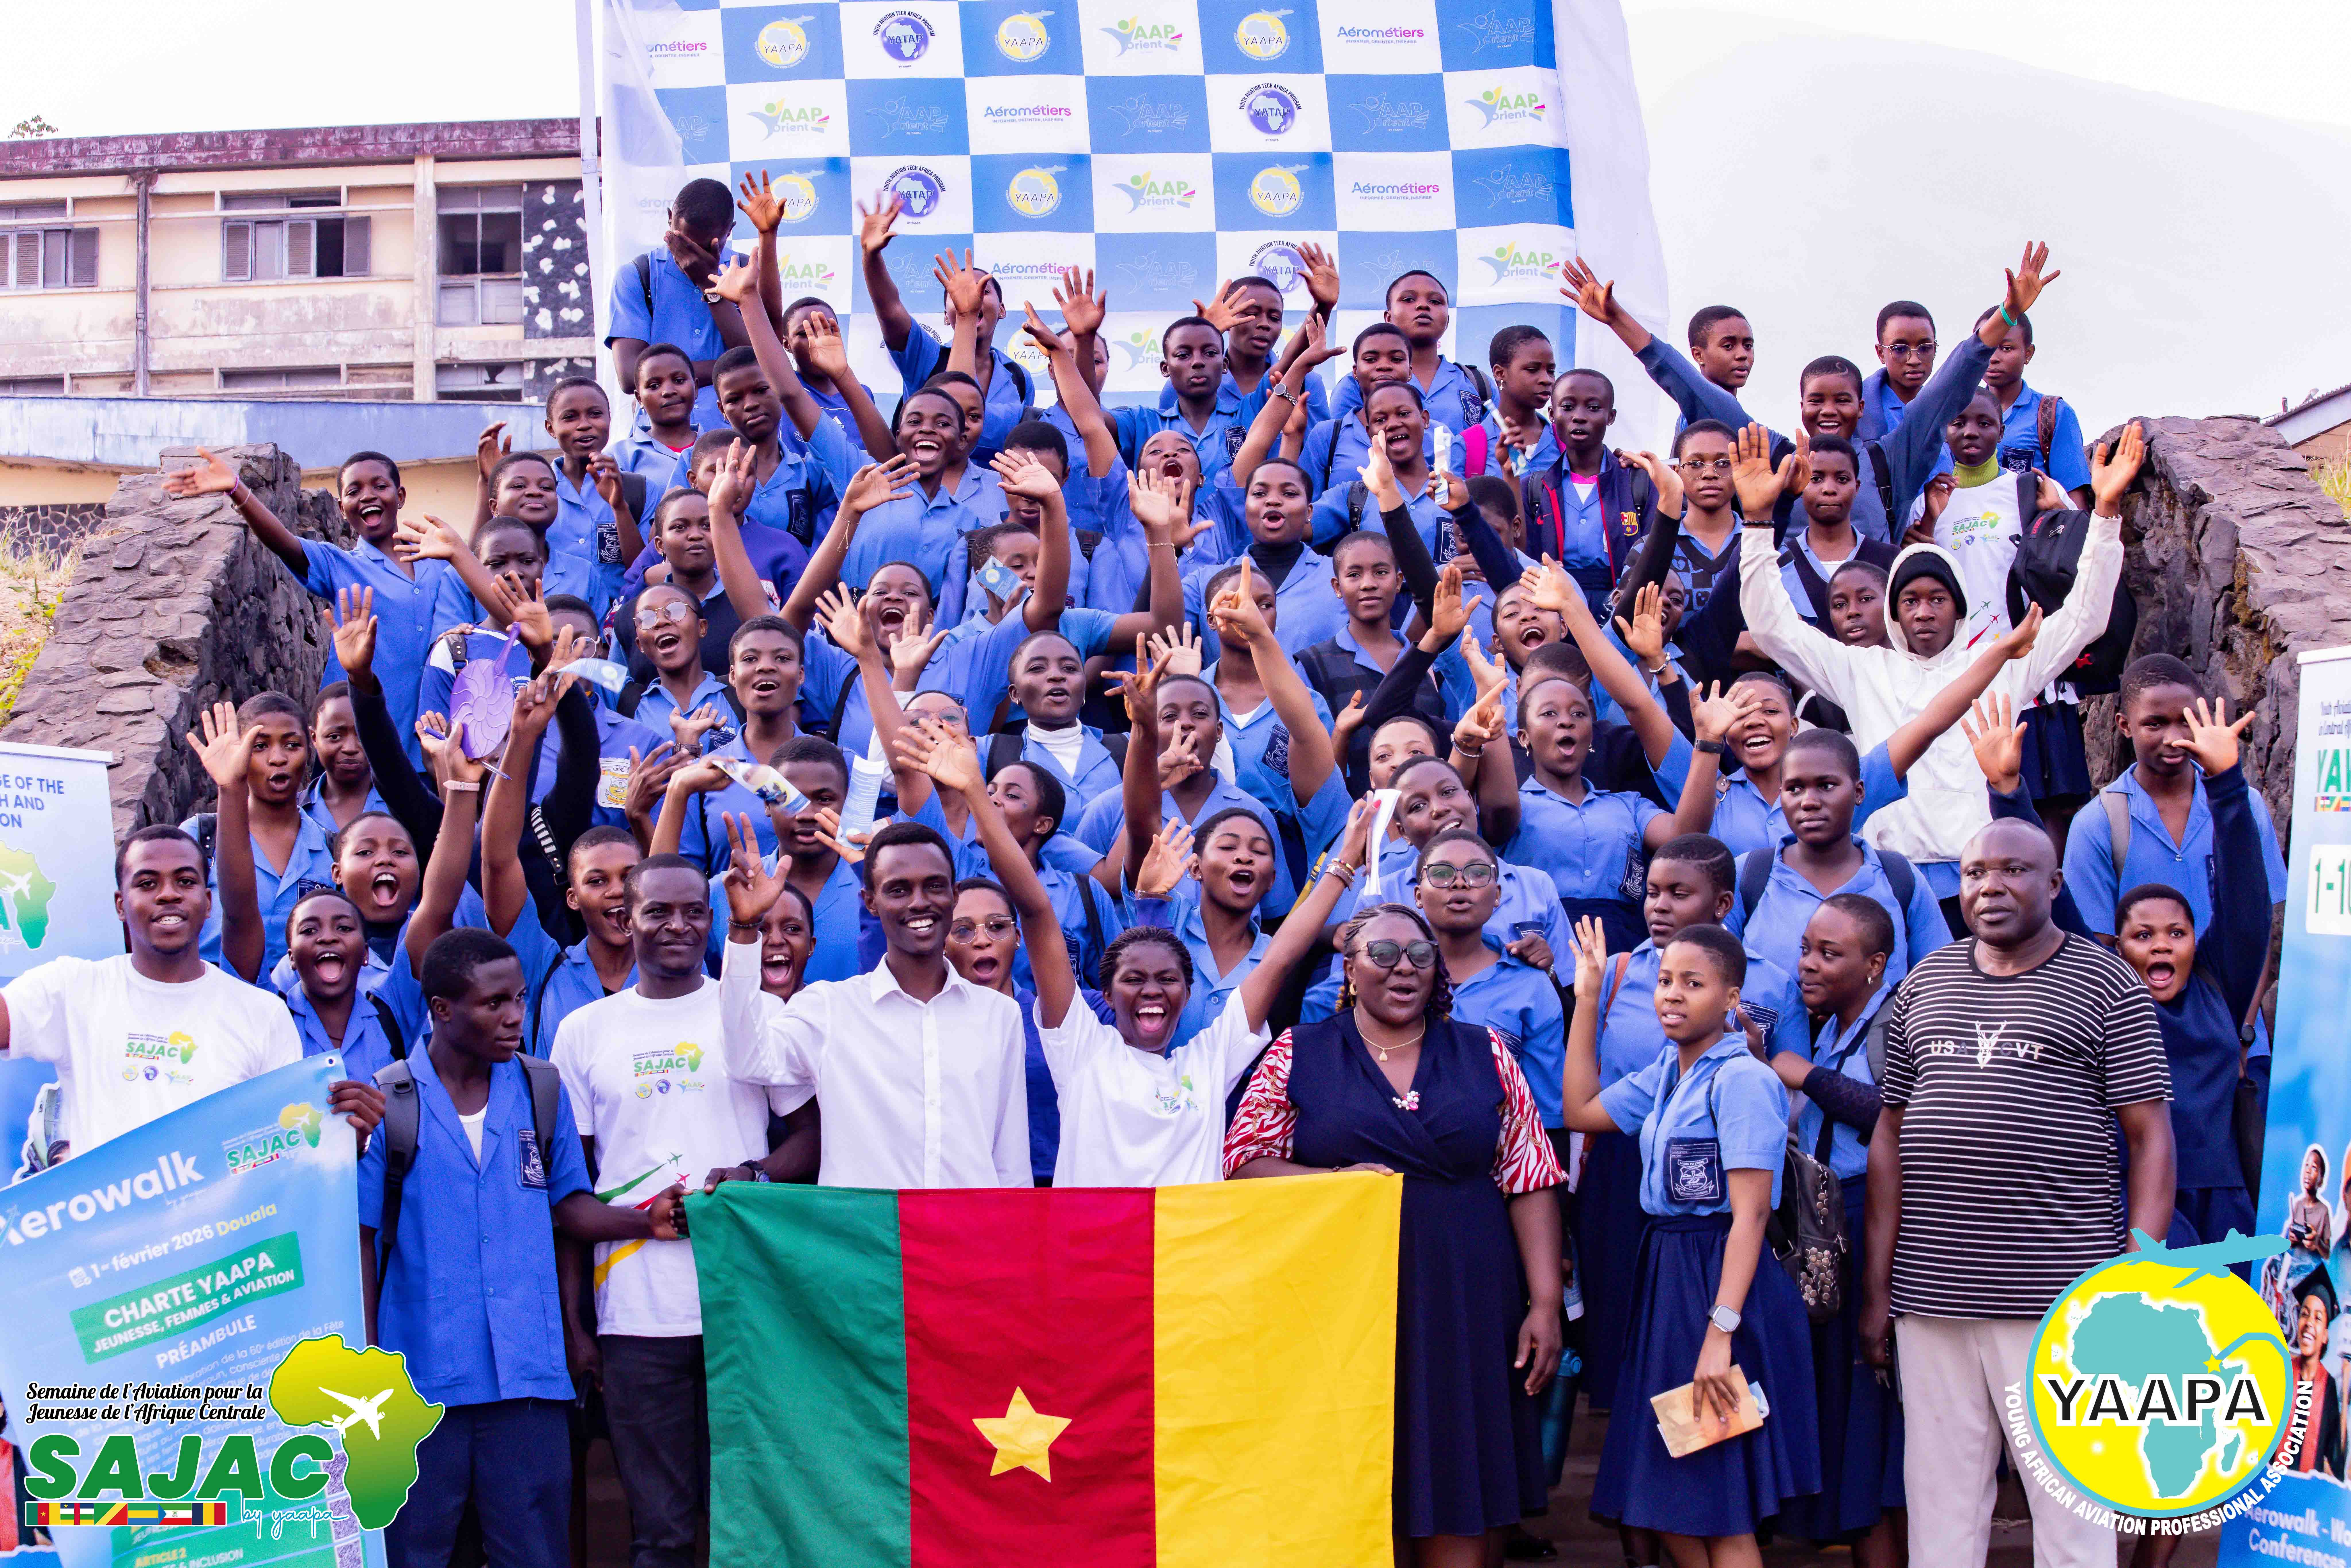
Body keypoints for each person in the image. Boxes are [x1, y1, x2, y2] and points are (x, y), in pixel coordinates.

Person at [1860, 816, 2174, 1568]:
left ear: (2053, 884)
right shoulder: (1925, 980)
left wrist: (2135, 1278)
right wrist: (1879, 1287)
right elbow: (1887, 1136)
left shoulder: (2105, 983)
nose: (1989, 886)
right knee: (1939, 1501)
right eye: (1973, 873)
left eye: (2012, 870)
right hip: (1932, 1292)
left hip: (2060, 1297)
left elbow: (2151, 1138)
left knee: (2069, 1508)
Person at [1227, 901, 1564, 1565]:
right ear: (1350, 969)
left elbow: (1528, 1174)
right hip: (1343, 1302)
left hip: (1467, 1293)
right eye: (1381, 954)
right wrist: (1334, 1183)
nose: (1401, 968)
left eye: (1418, 954)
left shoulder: (1485, 1050)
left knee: (1461, 1471)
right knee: (1359, 1473)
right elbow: (1242, 1161)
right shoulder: (1299, 1049)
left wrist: (1546, 1302)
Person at [922, 715, 1370, 1186]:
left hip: (1184, 1259)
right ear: (1105, 997)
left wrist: (1344, 861)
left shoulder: (1208, 1060)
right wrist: (975, 789)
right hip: (1091, 1257)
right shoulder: (1081, 1049)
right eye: (1133, 980)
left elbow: (1280, 957)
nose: (1151, 991)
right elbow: (1034, 911)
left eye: (1167, 980)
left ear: (1186, 990)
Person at [361, 928, 683, 1568]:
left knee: (536, 1553)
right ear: (442, 1009)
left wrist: (643, 1220)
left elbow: (568, 1206)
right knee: (412, 1554)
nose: (514, 1016)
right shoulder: (389, 1101)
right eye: (494, 1003)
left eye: (520, 997)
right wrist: (367, 1365)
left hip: (527, 1383)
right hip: (418, 1384)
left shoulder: (541, 1090)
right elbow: (362, 1242)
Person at [1739, 421, 2144, 922]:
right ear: (1893, 610)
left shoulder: (2002, 660)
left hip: (1984, 881)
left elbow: (2084, 617)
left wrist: (2102, 516)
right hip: (1889, 881)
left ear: (1959, 608)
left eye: (1937, 599)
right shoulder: (1860, 668)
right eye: (1910, 600)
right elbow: (1771, 627)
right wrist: (1756, 523)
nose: (1924, 612)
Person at [549, 853, 805, 1568]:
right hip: (636, 1316)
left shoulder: (749, 1011)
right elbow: (569, 1196)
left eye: (695, 910)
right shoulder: (583, 1031)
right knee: (658, 1532)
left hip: (745, 1310)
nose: (679, 925)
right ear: (625, 919)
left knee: (745, 1523)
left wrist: (754, 1175)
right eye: (658, 910)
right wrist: (578, 1324)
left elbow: (811, 1136)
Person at [1560, 917, 1821, 1552]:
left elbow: (1750, 1216)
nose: (1671, 994)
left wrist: (1719, 1332)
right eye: (1665, 981)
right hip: (1667, 1283)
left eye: (1693, 983)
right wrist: (1588, 996)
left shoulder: (1743, 1080)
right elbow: (1578, 1111)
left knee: (1718, 1502)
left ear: (1731, 997)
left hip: (1719, 1287)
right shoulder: (1665, 1071)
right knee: (1670, 1495)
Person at [0, 822, 379, 1159]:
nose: (168, 895)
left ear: (208, 901)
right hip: (99, 1236)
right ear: (120, 905)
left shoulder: (262, 1013)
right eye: (147, 883)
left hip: (219, 1237)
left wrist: (351, 1137)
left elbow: (287, 1152)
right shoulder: (74, 987)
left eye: (185, 881)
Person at [719, 820, 1030, 1187]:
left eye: (933, 886)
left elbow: (1010, 1159)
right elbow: (746, 1061)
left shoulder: (999, 1014)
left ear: (954, 894)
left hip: (965, 1236)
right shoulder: (828, 1008)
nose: (919, 902)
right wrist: (744, 928)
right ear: (870, 900)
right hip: (864, 1238)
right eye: (898, 889)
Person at [2064, 653, 2288, 1104]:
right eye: (2154, 724)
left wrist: (2242, 1033)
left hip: (2238, 1040)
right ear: (2125, 726)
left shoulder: (2244, 809)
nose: (2173, 738)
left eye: (2185, 721)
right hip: (2145, 1050)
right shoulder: (2100, 823)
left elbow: (2259, 931)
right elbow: (2098, 952)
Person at [162, 447, 462, 765]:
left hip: (434, 745)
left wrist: (485, 480)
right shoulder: (339, 563)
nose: (367, 496)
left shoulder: (439, 561)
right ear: (342, 509)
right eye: (354, 491)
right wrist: (237, 490)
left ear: (400, 496)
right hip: (359, 748)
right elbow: (284, 543)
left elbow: (476, 569)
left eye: (380, 486)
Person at [1764, 895, 1905, 1562]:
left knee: (1869, 1421)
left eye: (1829, 953)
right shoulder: (1831, 1027)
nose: (1807, 965)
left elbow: (1892, 1117)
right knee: (1845, 1419)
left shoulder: (1891, 1024)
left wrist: (1804, 1075)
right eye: (1804, 950)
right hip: (1827, 1225)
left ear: (1874, 964)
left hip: (1871, 1219)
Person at [861, 193, 1032, 459]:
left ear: (1001, 311)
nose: (971, 299)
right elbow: (891, 310)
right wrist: (871, 258)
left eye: (983, 291)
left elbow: (1020, 448)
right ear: (945, 315)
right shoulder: (927, 358)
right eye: (958, 294)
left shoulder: (1019, 377)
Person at [605, 177, 746, 432]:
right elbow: (629, 377)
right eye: (682, 241)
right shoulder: (638, 274)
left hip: (734, 436)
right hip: (656, 444)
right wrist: (729, 368)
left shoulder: (745, 271)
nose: (691, 255)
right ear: (670, 219)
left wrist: (707, 282)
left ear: (730, 230)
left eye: (706, 247)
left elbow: (759, 360)